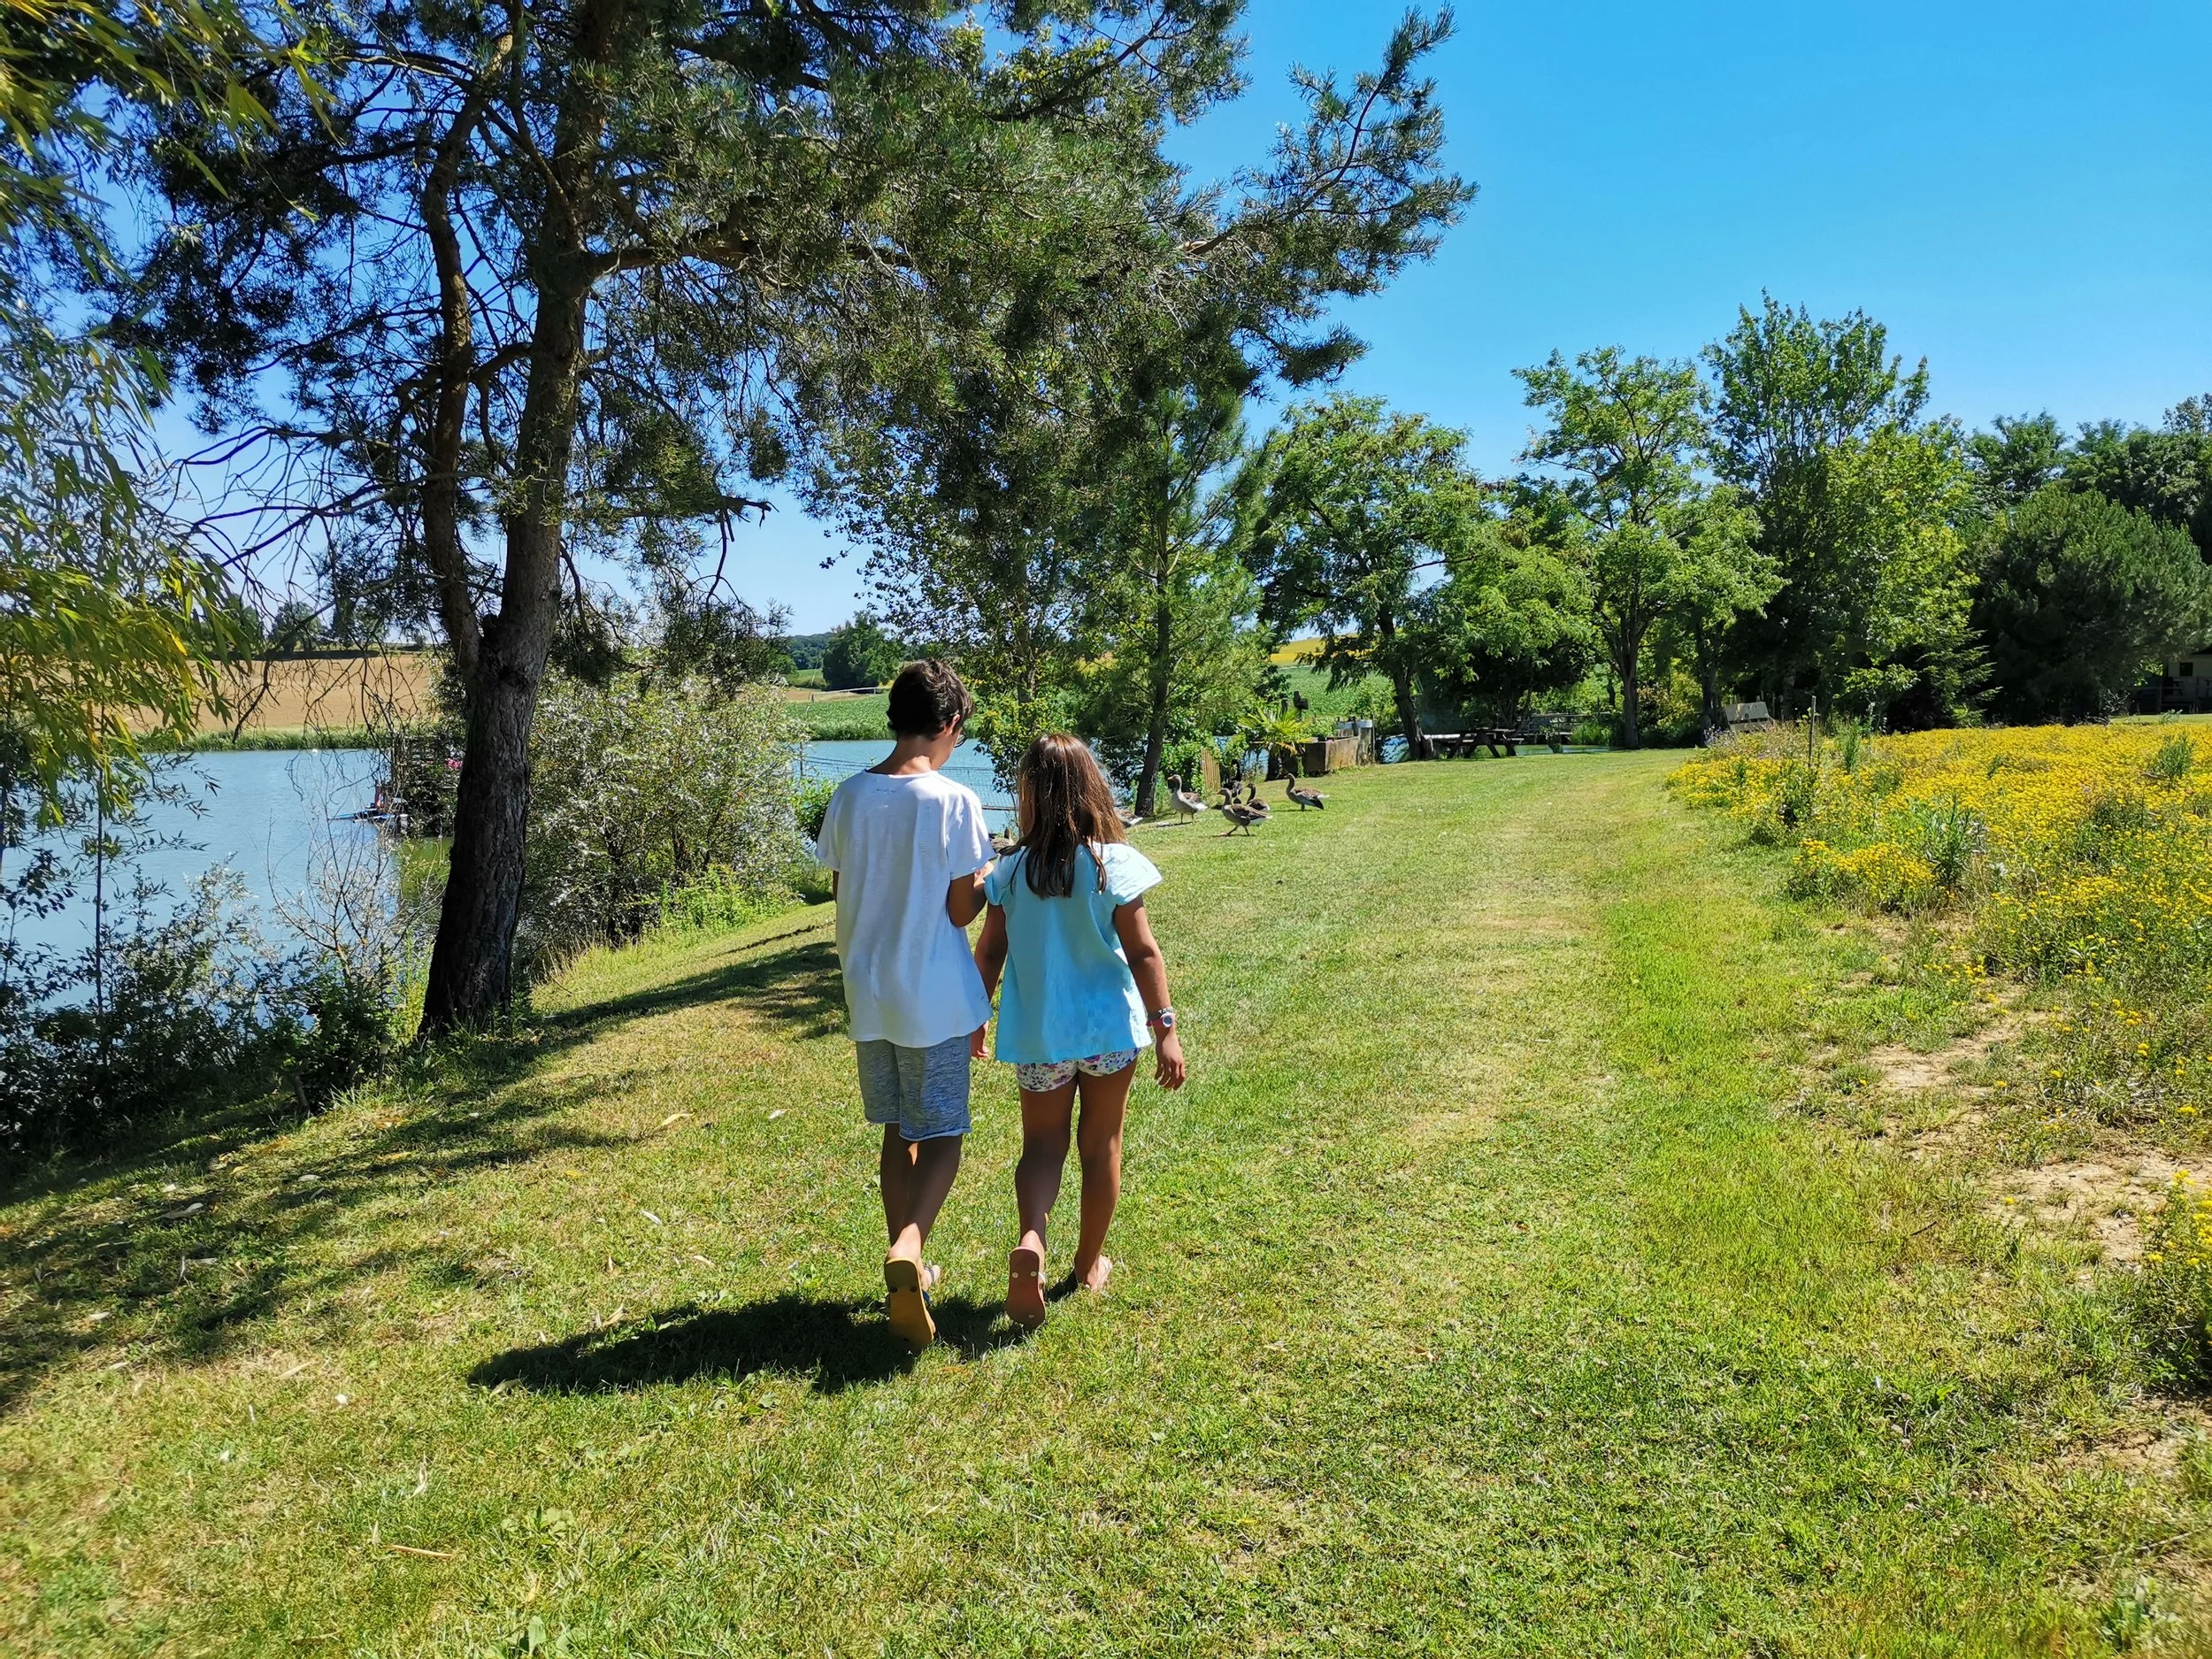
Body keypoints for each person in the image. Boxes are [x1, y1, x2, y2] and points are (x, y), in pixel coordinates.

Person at [972, 733, 1187, 1329]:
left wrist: (975, 1015)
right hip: (1108, 1038)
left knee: (1042, 1148)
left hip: (1041, 1038)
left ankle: (1032, 1244)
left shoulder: (1010, 871)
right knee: (1101, 1147)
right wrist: (1165, 1027)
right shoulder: (1112, 863)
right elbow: (1144, 954)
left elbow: (990, 952)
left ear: (1030, 796)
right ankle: (1088, 1264)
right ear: (1092, 786)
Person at [813, 660, 995, 1350]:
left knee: (898, 1127)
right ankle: (912, 1247)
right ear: (949, 724)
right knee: (944, 1130)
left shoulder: (848, 796)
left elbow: (842, 892)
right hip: (935, 995)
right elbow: (959, 909)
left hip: (869, 990)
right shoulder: (953, 801)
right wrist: (985, 876)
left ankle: (905, 1260)